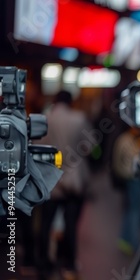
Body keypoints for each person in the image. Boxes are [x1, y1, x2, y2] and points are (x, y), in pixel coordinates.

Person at [35, 90, 92, 279]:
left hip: (50, 178)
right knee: (71, 224)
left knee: (45, 222)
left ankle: (42, 262)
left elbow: (36, 147)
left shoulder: (44, 119)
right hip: (74, 179)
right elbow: (90, 146)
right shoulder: (79, 118)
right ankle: (68, 262)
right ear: (71, 101)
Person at [112, 127, 140, 255]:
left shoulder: (126, 139)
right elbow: (135, 160)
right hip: (133, 178)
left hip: (129, 178)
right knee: (135, 211)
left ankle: (126, 239)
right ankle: (134, 242)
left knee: (131, 209)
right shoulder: (127, 141)